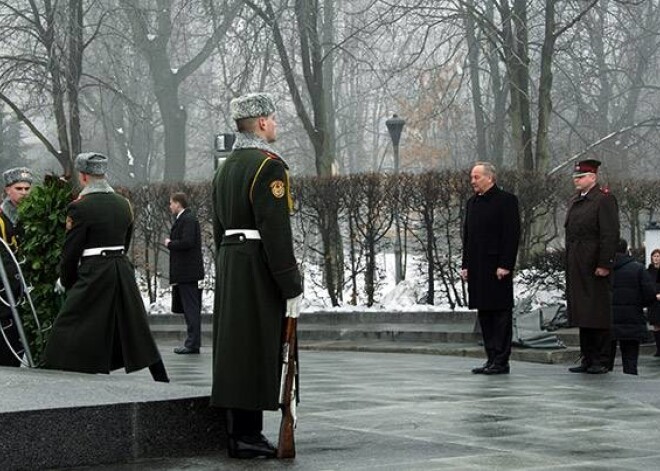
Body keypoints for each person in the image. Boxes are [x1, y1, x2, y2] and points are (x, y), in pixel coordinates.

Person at [211, 93, 303, 459]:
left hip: (231, 262)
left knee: (235, 347)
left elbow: (219, 228)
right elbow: (276, 231)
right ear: (262, 122)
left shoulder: (225, 167)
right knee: (256, 345)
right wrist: (290, 281)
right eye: (274, 119)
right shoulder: (268, 166)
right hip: (256, 263)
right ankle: (247, 435)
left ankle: (240, 430)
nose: (275, 125)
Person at [43, 152, 168, 382]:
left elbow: (71, 253)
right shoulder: (124, 204)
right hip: (121, 269)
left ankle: (54, 371)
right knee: (136, 327)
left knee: (67, 326)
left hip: (93, 271)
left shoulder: (80, 207)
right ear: (102, 174)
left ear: (83, 177)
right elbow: (126, 241)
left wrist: (67, 280)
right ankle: (160, 375)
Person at [461, 162, 521, 375]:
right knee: (485, 313)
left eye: (476, 177)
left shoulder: (506, 201)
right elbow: (468, 237)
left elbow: (511, 235)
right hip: (478, 266)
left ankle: (502, 360)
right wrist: (465, 264)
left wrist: (505, 264)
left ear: (490, 178)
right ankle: (490, 357)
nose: (473, 181)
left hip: (497, 267)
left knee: (500, 314)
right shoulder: (472, 203)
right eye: (472, 177)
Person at [565, 158, 619, 374]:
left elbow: (609, 234)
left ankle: (600, 359)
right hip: (578, 262)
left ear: (593, 177)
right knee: (583, 313)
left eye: (581, 177)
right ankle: (587, 357)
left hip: (594, 263)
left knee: (597, 312)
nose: (577, 180)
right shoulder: (576, 200)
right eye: (575, 177)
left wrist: (605, 263)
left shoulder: (604, 199)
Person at [607, 239, 656, 375]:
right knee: (630, 361)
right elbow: (650, 294)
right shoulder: (638, 268)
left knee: (605, 363)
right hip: (632, 320)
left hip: (607, 320)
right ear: (626, 250)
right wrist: (638, 304)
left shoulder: (604, 269)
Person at [0, 167, 32, 366]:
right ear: (7, 190)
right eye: (18, 188)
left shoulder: (35, 215)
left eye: (27, 188)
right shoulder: (2, 218)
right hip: (7, 286)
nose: (24, 193)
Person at [165, 192, 204, 354]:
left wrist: (170, 243)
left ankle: (192, 343)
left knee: (191, 308)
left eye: (171, 203)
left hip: (187, 272)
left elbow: (188, 242)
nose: (170, 206)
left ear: (178, 203)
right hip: (187, 272)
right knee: (190, 308)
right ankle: (192, 342)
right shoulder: (186, 218)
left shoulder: (187, 219)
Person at [646, 248, 660, 356]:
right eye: (654, 256)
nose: (656, 258)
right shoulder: (648, 271)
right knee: (656, 326)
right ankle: (658, 348)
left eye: (658, 256)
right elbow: (646, 285)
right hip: (653, 302)